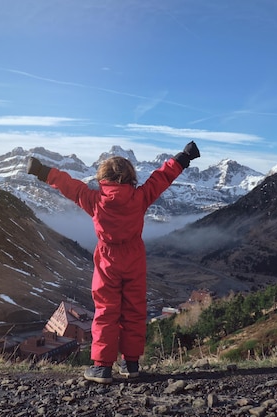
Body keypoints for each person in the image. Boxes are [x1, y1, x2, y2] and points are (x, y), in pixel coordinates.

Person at [27, 141, 200, 383]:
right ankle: (130, 364)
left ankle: (102, 367)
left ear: (102, 178)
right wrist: (183, 157)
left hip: (107, 260)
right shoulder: (139, 197)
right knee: (134, 311)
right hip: (134, 259)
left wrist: (41, 170)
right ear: (131, 177)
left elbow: (68, 186)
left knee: (106, 311)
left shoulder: (94, 200)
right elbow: (161, 178)